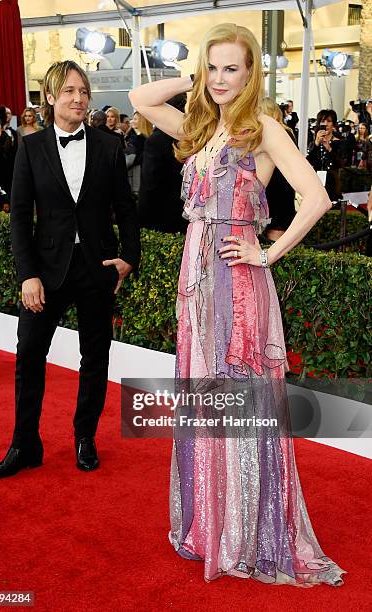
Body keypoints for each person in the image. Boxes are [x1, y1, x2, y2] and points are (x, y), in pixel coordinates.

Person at [129, 22, 345, 587]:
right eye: (213, 67)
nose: (220, 79)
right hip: (195, 284)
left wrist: (268, 252)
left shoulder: (261, 129)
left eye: (232, 68)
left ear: (251, 74)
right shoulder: (201, 131)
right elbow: (140, 97)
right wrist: (194, 75)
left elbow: (316, 198)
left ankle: (248, 530)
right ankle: (213, 526)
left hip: (236, 281)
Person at [0, 60, 140, 479]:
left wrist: (129, 256)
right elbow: (19, 216)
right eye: (70, 91)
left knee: (96, 357)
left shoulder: (109, 145)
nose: (78, 98)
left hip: (96, 268)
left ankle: (84, 436)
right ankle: (24, 445)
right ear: (50, 97)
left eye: (84, 91)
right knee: (29, 357)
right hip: (46, 272)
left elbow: (126, 208)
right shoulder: (30, 148)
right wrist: (27, 274)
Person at [138, 93, 188, 233]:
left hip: (160, 217)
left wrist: (141, 218)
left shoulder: (157, 140)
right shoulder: (197, 138)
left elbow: (150, 183)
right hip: (189, 216)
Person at [259, 97, 296, 241]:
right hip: (276, 193)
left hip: (278, 194)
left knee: (275, 238)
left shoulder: (282, 134)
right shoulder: (286, 132)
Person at [306, 110, 345, 202]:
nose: (326, 124)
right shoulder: (314, 143)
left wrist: (329, 148)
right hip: (316, 181)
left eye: (329, 121)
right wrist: (316, 144)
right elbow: (308, 162)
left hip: (332, 181)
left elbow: (341, 163)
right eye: (323, 121)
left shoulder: (339, 142)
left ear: (333, 124)